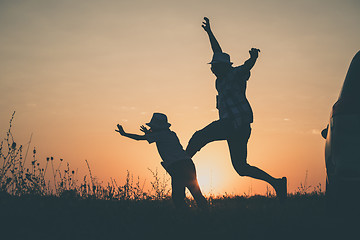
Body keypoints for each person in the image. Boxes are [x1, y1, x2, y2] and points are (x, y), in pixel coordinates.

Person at [185, 17, 287, 200]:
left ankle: (181, 163)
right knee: (241, 168)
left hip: (234, 124)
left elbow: (245, 67)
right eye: (212, 67)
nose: (212, 70)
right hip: (237, 128)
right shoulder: (220, 80)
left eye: (214, 67)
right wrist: (209, 32)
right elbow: (218, 51)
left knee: (199, 136)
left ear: (223, 67)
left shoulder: (234, 75)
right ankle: (277, 183)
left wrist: (252, 59)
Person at [116, 113, 208, 208]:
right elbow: (155, 136)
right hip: (188, 164)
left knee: (178, 198)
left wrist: (124, 134)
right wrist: (149, 133)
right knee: (196, 193)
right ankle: (205, 215)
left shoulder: (159, 135)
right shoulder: (171, 134)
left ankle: (186, 218)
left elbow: (139, 138)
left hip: (178, 167)